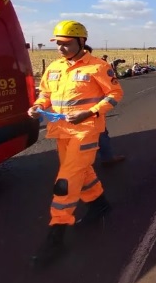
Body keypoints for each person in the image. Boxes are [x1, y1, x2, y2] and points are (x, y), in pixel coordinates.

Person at [27, 20, 124, 265]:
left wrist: (90, 112)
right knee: (82, 171)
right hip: (60, 131)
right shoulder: (55, 67)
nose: (60, 48)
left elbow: (115, 94)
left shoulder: (98, 66)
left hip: (86, 131)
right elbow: (46, 93)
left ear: (81, 42)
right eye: (58, 43)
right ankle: (99, 203)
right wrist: (38, 106)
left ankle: (56, 234)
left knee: (65, 180)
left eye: (66, 43)